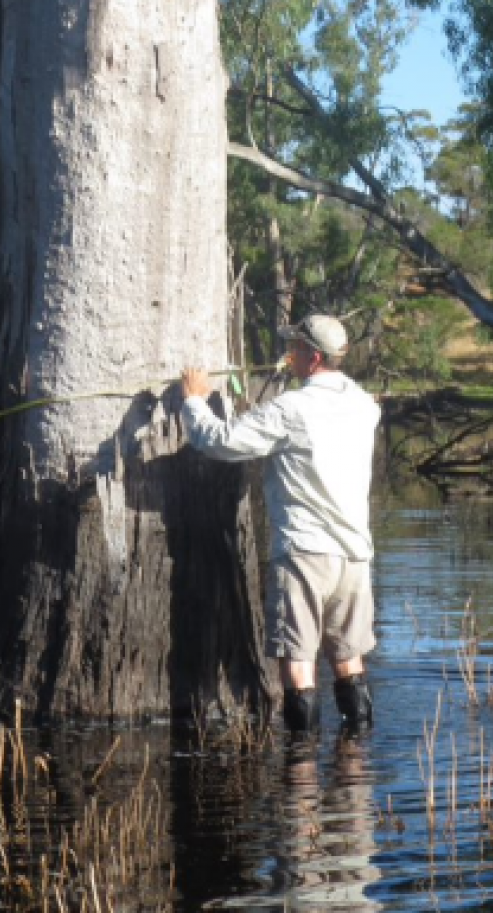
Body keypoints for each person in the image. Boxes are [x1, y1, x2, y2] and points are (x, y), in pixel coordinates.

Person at [180, 314, 381, 735]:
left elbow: (218, 442)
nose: (287, 354)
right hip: (355, 557)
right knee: (348, 659)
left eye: (295, 348)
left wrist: (195, 400)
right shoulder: (365, 406)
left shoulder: (292, 408)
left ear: (313, 356)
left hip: (305, 554)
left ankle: (301, 774)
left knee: (299, 663)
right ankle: (355, 763)